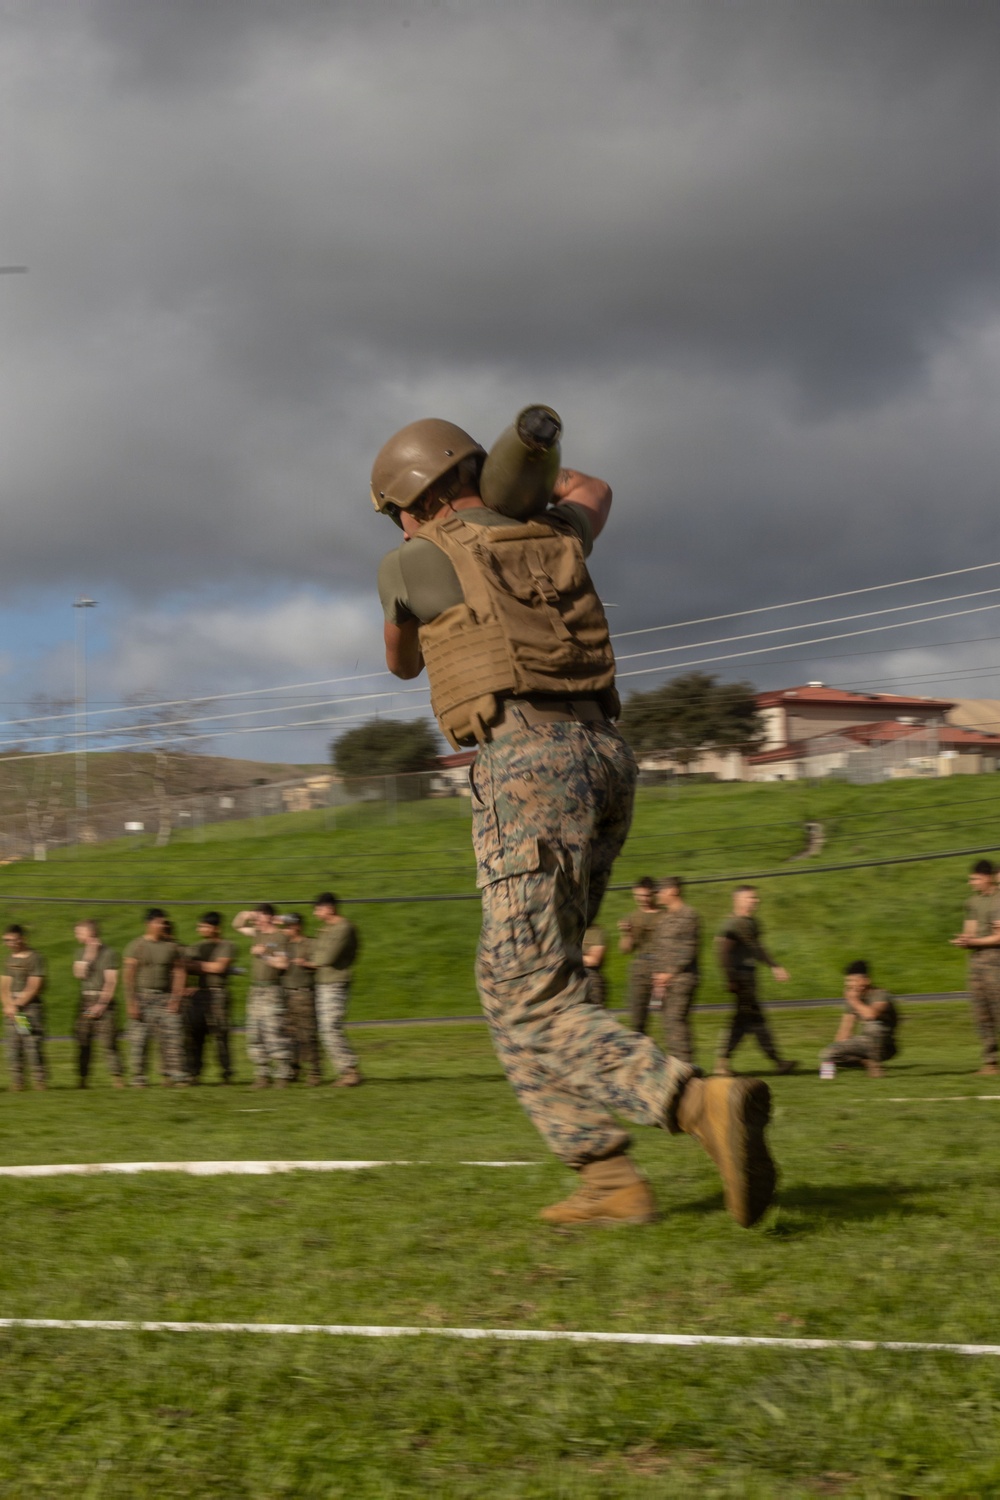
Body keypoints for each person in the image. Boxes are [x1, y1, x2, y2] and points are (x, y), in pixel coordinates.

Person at [373, 415, 776, 1229]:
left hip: (526, 764)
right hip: (603, 755)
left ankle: (693, 1101)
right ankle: (605, 1177)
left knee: (527, 989)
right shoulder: (554, 530)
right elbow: (594, 489)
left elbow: (402, 659)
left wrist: (431, 543)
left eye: (395, 513)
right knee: (518, 981)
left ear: (408, 501)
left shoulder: (414, 559)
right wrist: (524, 486)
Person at [714, 886, 797, 1077]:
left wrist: (774, 966)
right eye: (751, 898)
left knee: (750, 1021)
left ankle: (777, 1061)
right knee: (749, 1021)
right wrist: (731, 979)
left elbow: (757, 948)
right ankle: (724, 1062)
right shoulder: (732, 925)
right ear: (739, 900)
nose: (756, 901)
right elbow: (723, 953)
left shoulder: (751, 923)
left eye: (756, 898)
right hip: (740, 977)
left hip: (749, 976)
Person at [123, 909, 189, 1087]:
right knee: (139, 1040)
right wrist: (131, 1002)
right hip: (142, 998)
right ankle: (139, 1078)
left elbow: (179, 972)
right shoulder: (136, 946)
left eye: (164, 922)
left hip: (165, 998)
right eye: (160, 922)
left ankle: (177, 1076)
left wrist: (176, 999)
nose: (163, 925)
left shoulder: (171, 947)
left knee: (173, 1037)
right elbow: (129, 976)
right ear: (149, 924)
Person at [950, 858, 1000, 1076]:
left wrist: (974, 942)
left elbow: (999, 937)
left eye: (976, 878)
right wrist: (963, 940)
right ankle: (990, 1063)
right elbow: (969, 931)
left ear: (988, 877)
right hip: (977, 961)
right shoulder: (972, 902)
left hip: (995, 960)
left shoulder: (998, 900)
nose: (972, 883)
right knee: (981, 1012)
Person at [233, 904, 292, 1088]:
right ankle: (262, 1075)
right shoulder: (257, 933)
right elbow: (237, 925)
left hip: (272, 990)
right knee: (254, 1033)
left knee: (274, 1032)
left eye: (259, 916)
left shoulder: (279, 936)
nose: (256, 920)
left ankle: (283, 1075)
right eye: (255, 917)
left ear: (269, 917)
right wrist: (247, 913)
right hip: (256, 990)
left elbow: (283, 964)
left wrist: (264, 954)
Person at [306, 893, 362, 1087]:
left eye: (318, 909)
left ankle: (349, 1070)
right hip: (323, 982)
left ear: (329, 908)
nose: (315, 913)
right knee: (326, 1029)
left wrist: (311, 962)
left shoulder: (343, 928)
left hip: (335, 982)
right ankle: (347, 1071)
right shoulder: (328, 929)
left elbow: (326, 957)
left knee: (330, 1028)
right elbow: (316, 952)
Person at [649, 877, 700, 1065]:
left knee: (675, 1020)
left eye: (661, 891)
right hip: (663, 981)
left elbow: (688, 949)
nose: (658, 895)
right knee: (669, 1024)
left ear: (673, 891)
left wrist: (669, 973)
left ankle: (686, 1066)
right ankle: (679, 1065)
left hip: (681, 978)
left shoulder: (689, 915)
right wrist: (657, 974)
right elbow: (658, 948)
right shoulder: (664, 918)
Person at [820, 960, 899, 1078]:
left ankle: (876, 1065)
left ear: (866, 980)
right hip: (863, 1044)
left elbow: (871, 1015)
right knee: (827, 1053)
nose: (849, 984)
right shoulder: (853, 1001)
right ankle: (829, 1076)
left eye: (853, 980)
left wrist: (854, 1001)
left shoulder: (881, 995)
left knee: (874, 1027)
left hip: (884, 1045)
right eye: (848, 981)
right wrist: (833, 1053)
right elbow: (844, 1032)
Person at [184, 912, 235, 1084]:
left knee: (220, 1034)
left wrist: (196, 965)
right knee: (195, 1035)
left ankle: (226, 1072)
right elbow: (183, 967)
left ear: (216, 928)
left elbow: (219, 967)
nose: (201, 929)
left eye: (205, 926)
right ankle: (194, 1073)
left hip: (217, 993)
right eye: (200, 926)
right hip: (199, 994)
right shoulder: (196, 947)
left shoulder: (227, 945)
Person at [72, 920, 123, 1088]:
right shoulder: (80, 953)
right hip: (86, 1004)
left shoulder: (109, 953)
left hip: (103, 1004)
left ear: (90, 933)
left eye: (79, 932)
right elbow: (79, 974)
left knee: (108, 1041)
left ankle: (117, 1078)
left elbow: (111, 981)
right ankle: (83, 1079)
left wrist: (102, 1004)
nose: (76, 936)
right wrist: (88, 955)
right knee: (83, 1038)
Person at [2, 924, 47, 1091]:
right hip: (12, 1009)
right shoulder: (9, 959)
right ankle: (17, 1082)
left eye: (13, 940)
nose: (10, 943)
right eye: (6, 940)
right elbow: (4, 985)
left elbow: (34, 985)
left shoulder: (35, 958)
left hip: (28, 1008)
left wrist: (17, 1005)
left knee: (31, 1044)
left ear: (22, 939)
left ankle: (39, 1081)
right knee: (13, 1045)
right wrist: (7, 1005)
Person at [281, 913, 322, 1086]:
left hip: (303, 993)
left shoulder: (310, 943)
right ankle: (294, 1069)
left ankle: (314, 1072)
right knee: (289, 1035)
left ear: (297, 926)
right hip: (286, 993)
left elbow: (319, 963)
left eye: (289, 926)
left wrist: (305, 963)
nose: (286, 929)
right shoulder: (284, 945)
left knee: (307, 1034)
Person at [618, 877, 664, 1031]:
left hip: (662, 967)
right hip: (640, 969)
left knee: (670, 1018)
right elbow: (625, 950)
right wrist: (626, 933)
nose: (642, 900)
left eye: (646, 895)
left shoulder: (665, 916)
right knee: (637, 1019)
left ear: (654, 894)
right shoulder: (632, 918)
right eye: (638, 896)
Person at [582, 922, 607, 1006]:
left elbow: (594, 960)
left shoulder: (594, 931)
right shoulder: (562, 930)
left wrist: (568, 956)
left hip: (588, 975)